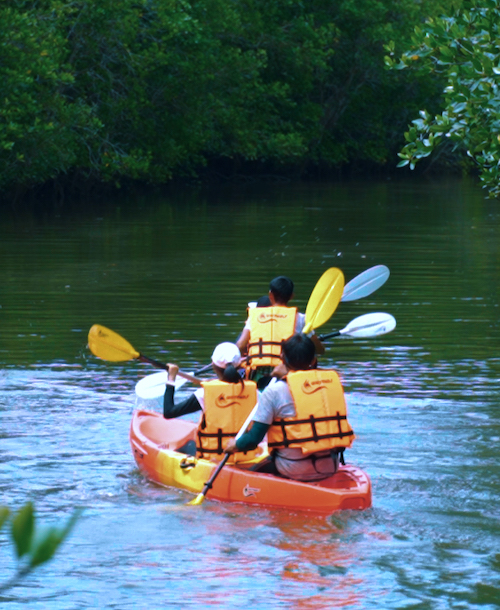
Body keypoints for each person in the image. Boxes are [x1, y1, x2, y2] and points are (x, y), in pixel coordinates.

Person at [225, 333, 355, 482]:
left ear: (282, 357)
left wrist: (234, 445)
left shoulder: (274, 391)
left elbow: (253, 440)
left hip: (292, 469)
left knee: (252, 470)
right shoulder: (329, 386)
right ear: (313, 360)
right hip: (329, 468)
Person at [163, 342, 262, 464]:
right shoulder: (254, 392)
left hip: (214, 459)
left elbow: (168, 412)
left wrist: (171, 379)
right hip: (248, 457)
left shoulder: (204, 393)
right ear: (240, 365)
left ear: (214, 366)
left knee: (188, 444)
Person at [236, 276, 325, 387]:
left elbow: (240, 345)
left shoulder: (255, 317)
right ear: (291, 296)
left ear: (270, 295)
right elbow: (319, 350)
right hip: (287, 374)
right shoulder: (301, 319)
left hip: (258, 376)